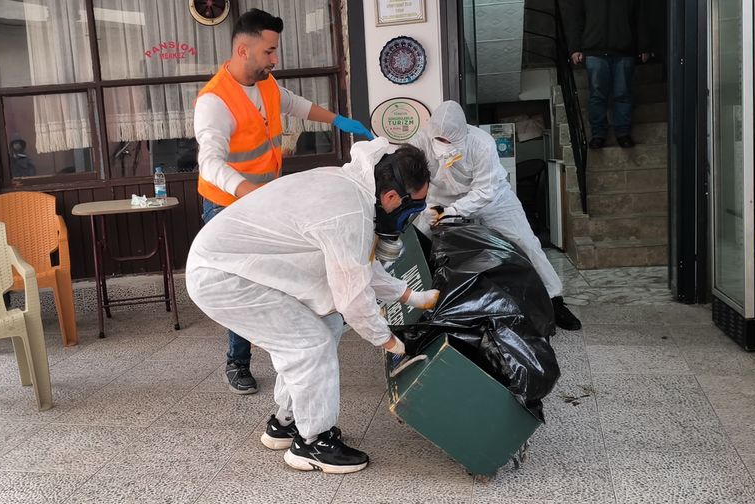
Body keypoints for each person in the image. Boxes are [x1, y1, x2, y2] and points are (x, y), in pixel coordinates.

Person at [187, 137, 437, 474]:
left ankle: (286, 421)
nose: (410, 216)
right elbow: (354, 299)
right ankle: (312, 442)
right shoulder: (351, 210)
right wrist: (391, 343)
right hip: (222, 274)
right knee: (309, 342)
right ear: (392, 197)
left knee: (327, 324)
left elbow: (359, 269)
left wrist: (411, 296)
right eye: (413, 207)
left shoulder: (352, 187)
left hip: (238, 264)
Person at [194, 8, 375, 395]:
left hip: (264, 200)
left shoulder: (266, 84)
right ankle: (237, 363)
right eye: (269, 52)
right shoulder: (214, 102)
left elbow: (294, 104)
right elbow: (209, 162)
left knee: (280, 273)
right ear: (243, 50)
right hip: (228, 206)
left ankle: (290, 346)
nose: (274, 60)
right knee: (241, 282)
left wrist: (340, 121)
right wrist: (249, 196)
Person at [409, 101, 582, 331]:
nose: (443, 145)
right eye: (439, 140)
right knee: (418, 240)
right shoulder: (419, 142)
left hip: (493, 198)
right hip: (441, 199)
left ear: (463, 133)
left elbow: (484, 192)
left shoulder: (482, 144)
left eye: (449, 141)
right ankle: (418, 303)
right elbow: (409, 178)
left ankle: (554, 299)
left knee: (526, 242)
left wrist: (449, 213)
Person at [564, 0, 651, 149]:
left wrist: (644, 46)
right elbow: (576, 18)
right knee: (597, 96)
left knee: (622, 94)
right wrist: (574, 48)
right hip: (594, 50)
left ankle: (623, 133)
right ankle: (598, 135)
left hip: (624, 50)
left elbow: (641, 18)